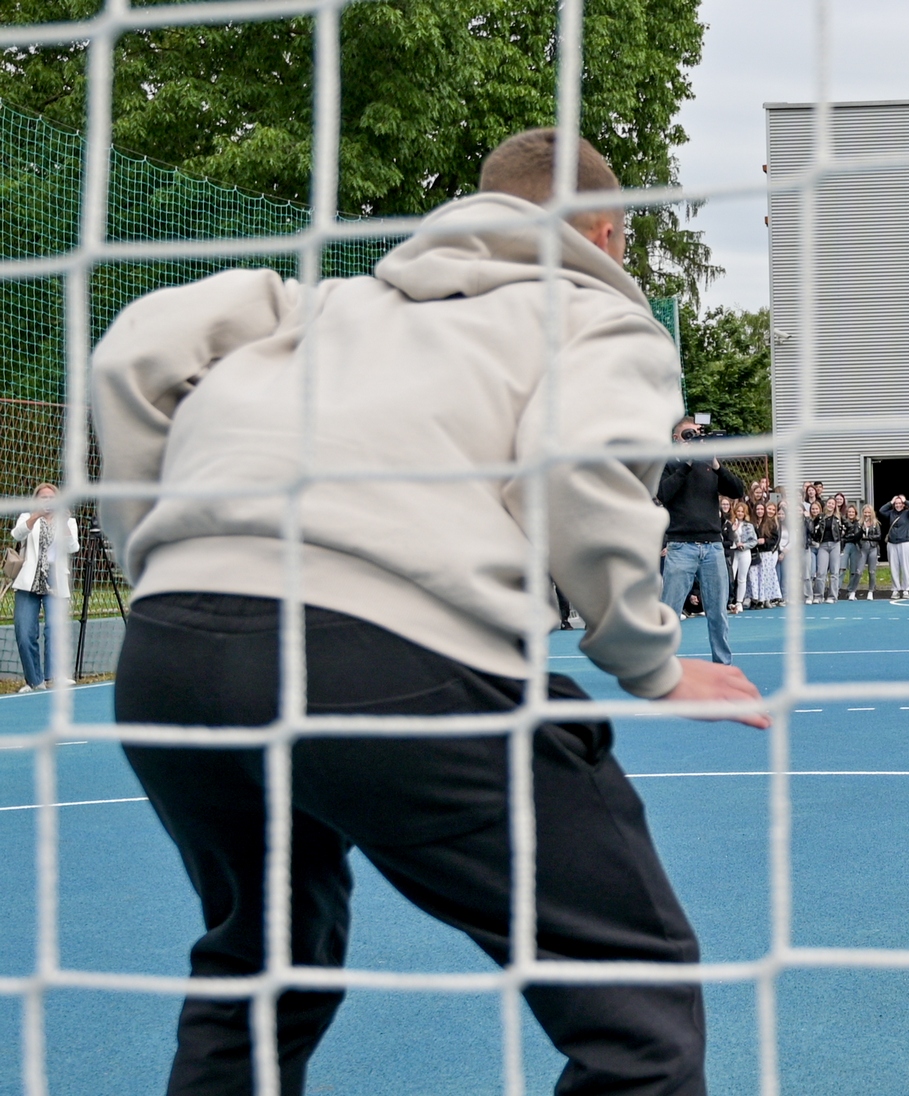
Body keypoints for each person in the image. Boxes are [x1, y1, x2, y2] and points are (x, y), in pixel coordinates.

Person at [90, 127, 769, 1095]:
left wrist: (162, 550)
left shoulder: (321, 305)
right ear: (605, 234)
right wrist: (648, 659)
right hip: (377, 655)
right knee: (638, 1004)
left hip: (172, 656)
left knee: (262, 965)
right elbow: (578, 470)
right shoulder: (597, 319)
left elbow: (133, 350)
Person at [658, 418, 747, 660]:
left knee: (718, 612)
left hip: (713, 546)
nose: (695, 439)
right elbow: (662, 494)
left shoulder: (709, 465)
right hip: (681, 546)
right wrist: (687, 464)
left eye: (698, 434)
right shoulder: (668, 463)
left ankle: (722, 663)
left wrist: (716, 465)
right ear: (676, 439)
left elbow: (738, 490)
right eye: (689, 434)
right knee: (670, 610)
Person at [11, 483, 80, 693]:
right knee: (24, 632)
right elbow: (16, 535)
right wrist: (35, 516)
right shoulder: (26, 517)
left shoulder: (68, 521)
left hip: (55, 580)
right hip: (29, 581)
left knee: (55, 630)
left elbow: (73, 547)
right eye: (43, 497)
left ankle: (54, 677)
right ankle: (34, 681)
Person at [878, 494, 909, 600]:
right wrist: (890, 502)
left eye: (900, 503)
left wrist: (905, 500)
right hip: (892, 543)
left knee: (905, 566)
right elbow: (881, 510)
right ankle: (895, 589)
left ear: (903, 504)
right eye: (896, 503)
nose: (898, 505)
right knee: (894, 567)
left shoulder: (908, 513)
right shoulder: (891, 513)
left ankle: (906, 589)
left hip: (905, 542)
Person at [813, 498, 844, 603]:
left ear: (835, 506)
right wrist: (815, 538)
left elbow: (849, 527)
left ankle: (832, 596)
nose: (830, 505)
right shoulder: (820, 517)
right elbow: (812, 528)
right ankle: (818, 596)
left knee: (834, 572)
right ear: (826, 504)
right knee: (821, 572)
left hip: (835, 544)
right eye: (829, 503)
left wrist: (843, 538)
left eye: (832, 503)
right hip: (823, 545)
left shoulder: (838, 518)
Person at [752, 502, 783, 607]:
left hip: (766, 553)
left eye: (761, 509)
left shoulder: (770, 523)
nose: (760, 511)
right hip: (755, 553)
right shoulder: (752, 523)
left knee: (767, 576)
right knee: (756, 577)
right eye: (758, 509)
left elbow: (774, 539)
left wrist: (765, 541)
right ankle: (757, 598)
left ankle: (767, 598)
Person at [728, 500, 757, 612]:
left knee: (742, 578)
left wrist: (744, 545)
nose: (740, 513)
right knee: (731, 576)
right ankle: (730, 601)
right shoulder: (730, 524)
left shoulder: (749, 525)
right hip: (733, 552)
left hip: (744, 552)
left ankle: (739, 602)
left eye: (742, 511)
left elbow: (754, 541)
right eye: (738, 511)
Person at [848, 506, 882, 600]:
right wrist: (862, 530)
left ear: (872, 513)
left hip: (873, 548)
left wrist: (868, 537)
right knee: (858, 571)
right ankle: (853, 592)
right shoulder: (859, 523)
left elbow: (879, 536)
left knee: (872, 571)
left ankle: (871, 591)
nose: (867, 514)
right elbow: (856, 537)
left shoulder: (876, 523)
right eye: (865, 512)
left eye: (869, 512)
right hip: (862, 548)